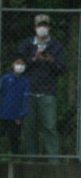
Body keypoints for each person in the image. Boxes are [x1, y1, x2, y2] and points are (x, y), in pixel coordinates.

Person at [18, 14, 65, 159]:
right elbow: (19, 67)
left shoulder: (56, 46)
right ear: (35, 27)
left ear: (49, 27)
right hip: (29, 93)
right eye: (39, 25)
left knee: (50, 127)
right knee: (29, 128)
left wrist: (50, 60)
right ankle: (31, 161)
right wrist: (34, 59)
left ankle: (53, 162)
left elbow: (62, 69)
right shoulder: (27, 45)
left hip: (48, 93)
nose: (42, 28)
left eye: (45, 25)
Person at [0, 57, 30, 154]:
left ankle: (15, 156)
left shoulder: (25, 82)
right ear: (12, 64)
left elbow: (25, 101)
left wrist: (20, 116)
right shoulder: (5, 78)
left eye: (22, 64)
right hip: (3, 114)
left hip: (16, 117)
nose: (19, 66)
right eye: (17, 63)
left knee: (14, 138)